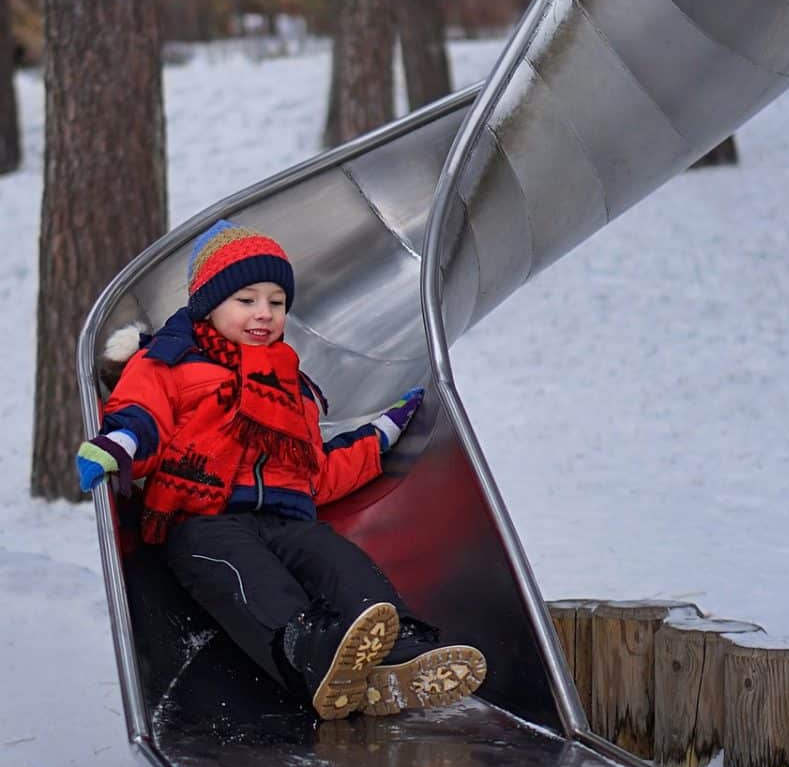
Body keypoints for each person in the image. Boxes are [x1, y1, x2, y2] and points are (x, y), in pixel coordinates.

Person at [77, 220, 486, 720]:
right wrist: (118, 443)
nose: (263, 314)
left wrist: (380, 436)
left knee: (339, 560)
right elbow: (143, 416)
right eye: (246, 300)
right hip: (206, 523)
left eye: (276, 302)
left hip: (289, 520)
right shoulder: (171, 363)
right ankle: (310, 653)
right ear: (209, 304)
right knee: (250, 577)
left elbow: (318, 473)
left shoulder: (293, 387)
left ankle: (395, 652)